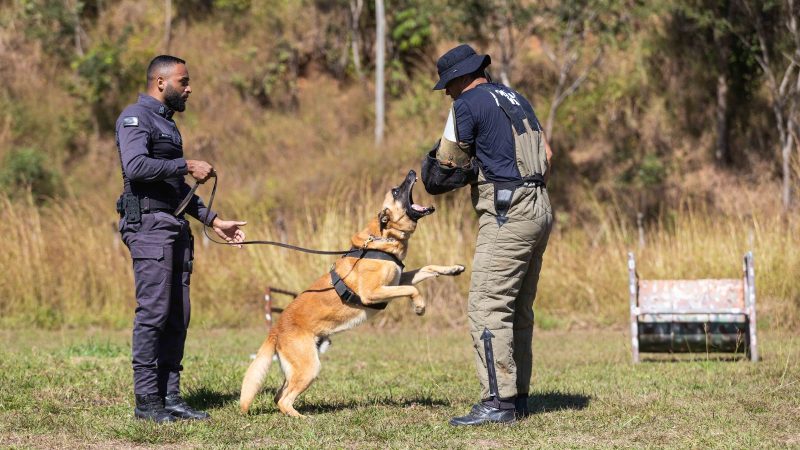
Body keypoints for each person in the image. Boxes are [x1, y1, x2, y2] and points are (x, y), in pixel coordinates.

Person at [421, 44, 554, 426]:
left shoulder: (465, 105)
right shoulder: (517, 97)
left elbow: (445, 166)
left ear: (462, 78)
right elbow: (547, 152)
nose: (447, 92)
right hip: (540, 206)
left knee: (487, 306)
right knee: (517, 309)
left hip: (507, 211)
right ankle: (518, 398)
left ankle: (498, 403)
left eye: (448, 85)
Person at [115, 55, 246, 422]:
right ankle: (147, 402)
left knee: (177, 316)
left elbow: (175, 189)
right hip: (149, 228)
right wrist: (186, 164)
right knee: (154, 313)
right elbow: (136, 167)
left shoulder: (167, 126)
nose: (188, 89)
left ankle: (170, 397)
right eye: (183, 82)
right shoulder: (135, 118)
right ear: (160, 82)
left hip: (173, 227)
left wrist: (214, 220)